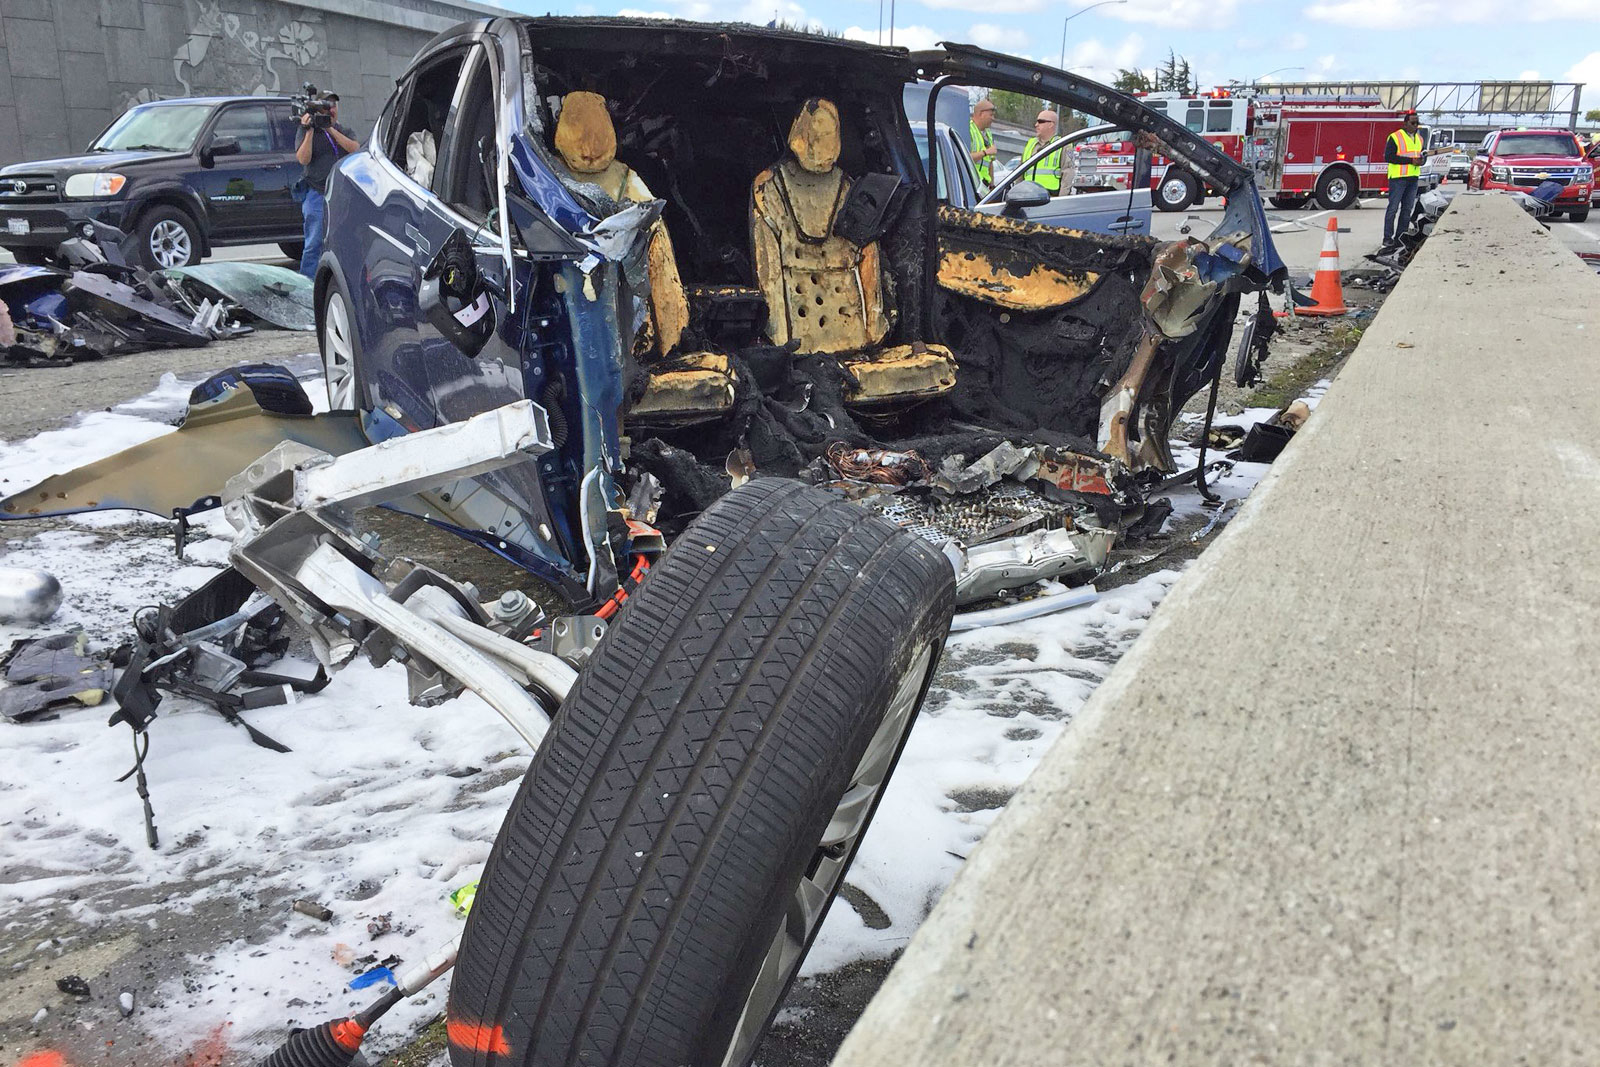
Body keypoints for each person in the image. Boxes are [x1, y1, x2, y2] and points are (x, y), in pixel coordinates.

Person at [293, 93, 360, 279]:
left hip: (342, 196)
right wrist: (310, 131)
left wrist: (330, 129)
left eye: (333, 106)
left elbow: (355, 149)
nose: (331, 109)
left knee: (346, 241)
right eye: (326, 106)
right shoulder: (306, 131)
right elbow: (303, 158)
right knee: (314, 243)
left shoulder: (343, 130)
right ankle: (307, 284)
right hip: (317, 194)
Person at [1381, 110, 1424, 253]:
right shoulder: (1395, 137)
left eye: (1417, 122)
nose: (1416, 125)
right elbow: (1389, 157)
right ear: (1405, 124)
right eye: (1413, 123)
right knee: (1393, 209)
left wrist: (1420, 162)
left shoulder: (1419, 139)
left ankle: (1400, 236)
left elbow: (1419, 157)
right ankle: (1387, 238)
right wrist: (1411, 161)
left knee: (1407, 209)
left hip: (1413, 179)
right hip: (1398, 178)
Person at [1020, 109, 1065, 195]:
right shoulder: (1030, 144)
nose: (1036, 125)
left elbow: (1067, 176)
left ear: (1051, 124)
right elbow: (1020, 172)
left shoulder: (1062, 145)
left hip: (1050, 199)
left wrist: (1061, 201)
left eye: (1040, 122)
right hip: (1027, 197)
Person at [969, 98, 997, 189]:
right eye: (991, 115)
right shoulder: (969, 130)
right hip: (972, 184)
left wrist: (992, 185)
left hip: (984, 186)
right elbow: (965, 158)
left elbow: (990, 163)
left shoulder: (988, 134)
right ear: (981, 114)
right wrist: (985, 152)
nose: (993, 118)